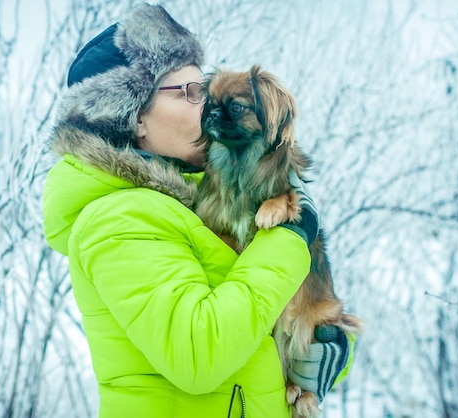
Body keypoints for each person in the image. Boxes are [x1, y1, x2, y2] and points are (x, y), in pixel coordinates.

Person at [42, 4, 353, 417]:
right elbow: (199, 353)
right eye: (189, 92)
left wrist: (320, 343)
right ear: (134, 117)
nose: (206, 104)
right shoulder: (118, 219)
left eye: (203, 89)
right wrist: (290, 238)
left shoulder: (197, 200)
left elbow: (256, 323)